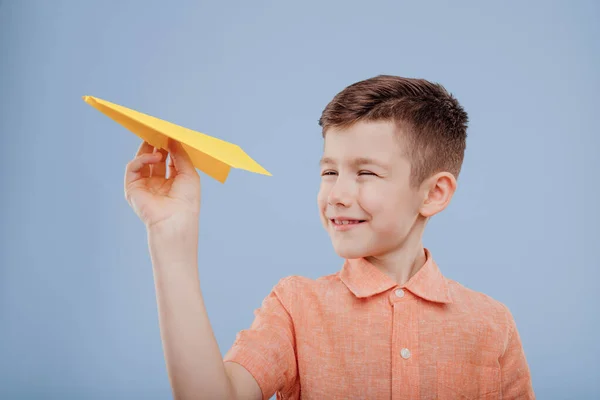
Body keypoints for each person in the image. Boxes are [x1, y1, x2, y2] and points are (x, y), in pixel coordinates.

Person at [124, 75, 535, 399]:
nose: (336, 195)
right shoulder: (295, 306)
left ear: (434, 193)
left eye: (366, 173)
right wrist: (169, 236)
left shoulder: (491, 324)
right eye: (329, 172)